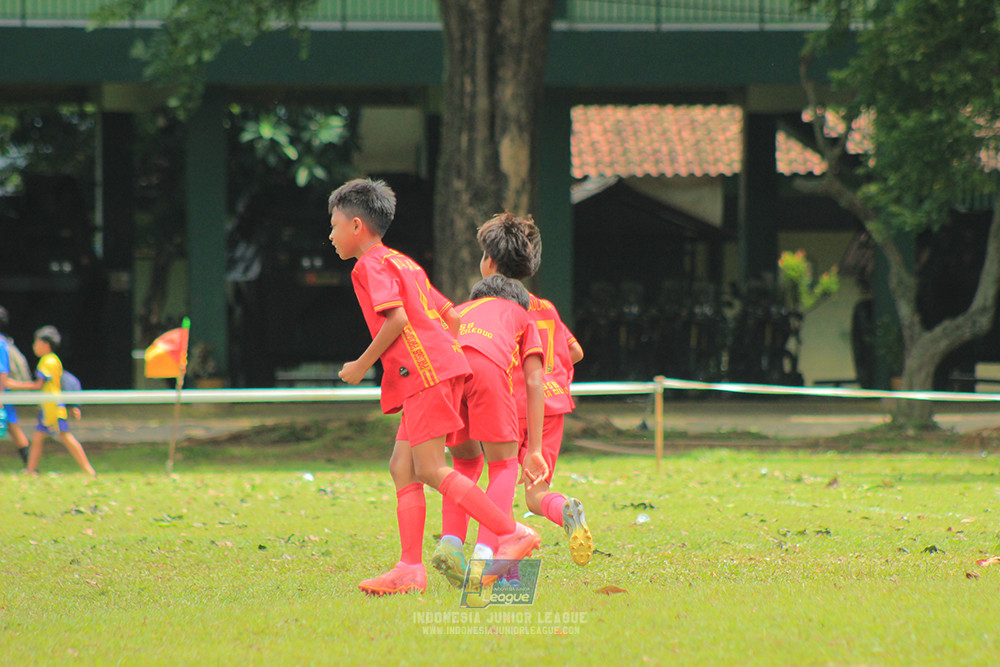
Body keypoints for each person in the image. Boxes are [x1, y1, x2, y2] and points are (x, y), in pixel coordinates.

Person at [327, 178, 542, 596]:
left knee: (428, 467)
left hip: (423, 374)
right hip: (433, 369)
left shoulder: (369, 266)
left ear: (357, 226)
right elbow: (451, 316)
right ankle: (409, 567)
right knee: (401, 466)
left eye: (334, 225)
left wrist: (361, 365)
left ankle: (511, 532)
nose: (330, 235)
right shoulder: (404, 263)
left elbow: (398, 320)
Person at [477, 212, 593, 565]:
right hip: (551, 409)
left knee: (499, 477)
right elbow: (575, 351)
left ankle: (493, 556)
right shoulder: (545, 308)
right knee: (535, 494)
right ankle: (565, 510)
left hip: (511, 408)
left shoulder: (495, 310)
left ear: (491, 262)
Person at [431, 274, 549, 588]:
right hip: (486, 368)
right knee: (504, 465)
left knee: (465, 464)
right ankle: (484, 557)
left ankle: (451, 543)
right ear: (518, 303)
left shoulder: (462, 308)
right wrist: (534, 449)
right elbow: (535, 382)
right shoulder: (521, 314)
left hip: (447, 372)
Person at [6, 326, 96, 477]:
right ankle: (30, 470)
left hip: (52, 408)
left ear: (45, 344)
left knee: (65, 437)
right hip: (48, 407)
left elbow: (38, 385)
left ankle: (88, 470)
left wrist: (12, 384)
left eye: (36, 342)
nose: (34, 346)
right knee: (38, 438)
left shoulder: (46, 362)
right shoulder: (53, 360)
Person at [0, 306, 31, 465]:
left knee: (13, 428)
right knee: (13, 427)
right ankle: (31, 466)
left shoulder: (0, 344)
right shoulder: (4, 342)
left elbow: (2, 371)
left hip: (1, 394)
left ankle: (31, 465)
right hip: (4, 394)